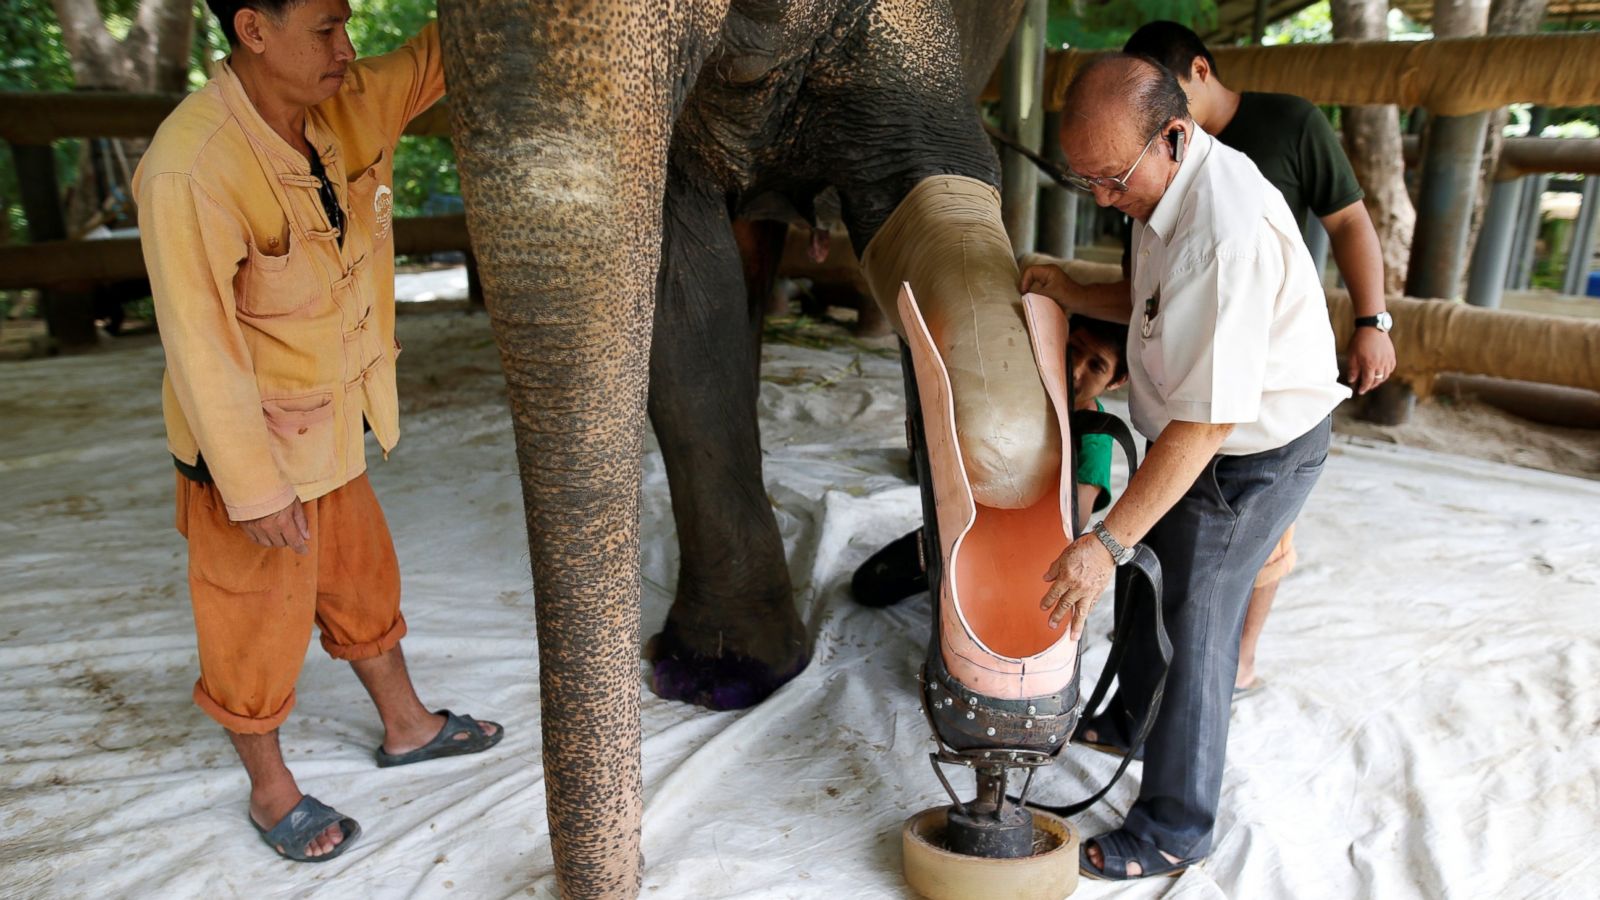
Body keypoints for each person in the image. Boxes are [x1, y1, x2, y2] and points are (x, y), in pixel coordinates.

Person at [133, 0, 501, 863]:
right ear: (254, 31)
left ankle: (407, 725)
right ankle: (271, 792)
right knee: (253, 627)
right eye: (327, 29)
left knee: (365, 583)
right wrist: (253, 489)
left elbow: (440, 53)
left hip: (329, 428)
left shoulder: (342, 100)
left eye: (348, 26)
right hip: (247, 458)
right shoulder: (191, 166)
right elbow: (201, 349)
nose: (348, 49)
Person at [1021, 54, 1349, 879]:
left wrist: (1103, 539)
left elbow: (1208, 426)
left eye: (1111, 179)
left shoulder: (1223, 234)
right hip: (1194, 439)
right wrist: (1066, 286)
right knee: (1146, 576)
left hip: (1249, 456)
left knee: (1195, 618)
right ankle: (1131, 716)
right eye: (1084, 179)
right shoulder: (1161, 183)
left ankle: (1175, 824)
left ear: (1174, 133)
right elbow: (1151, 304)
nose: (1101, 198)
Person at [1116, 21, 1395, 695]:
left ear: (1201, 73)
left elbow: (1351, 220)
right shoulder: (1142, 151)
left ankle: (1235, 660)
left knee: (1259, 537)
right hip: (1186, 356)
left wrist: (1372, 319)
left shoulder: (1287, 125)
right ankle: (1166, 682)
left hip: (1268, 371)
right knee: (1174, 541)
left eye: (1165, 92)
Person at [849, 314, 1131, 606]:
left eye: (1096, 366)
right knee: (869, 586)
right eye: (1073, 349)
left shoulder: (1096, 435)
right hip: (967, 521)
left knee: (984, 615)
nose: (1075, 369)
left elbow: (1074, 518)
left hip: (1025, 548)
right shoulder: (1025, 389)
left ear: (1117, 380)